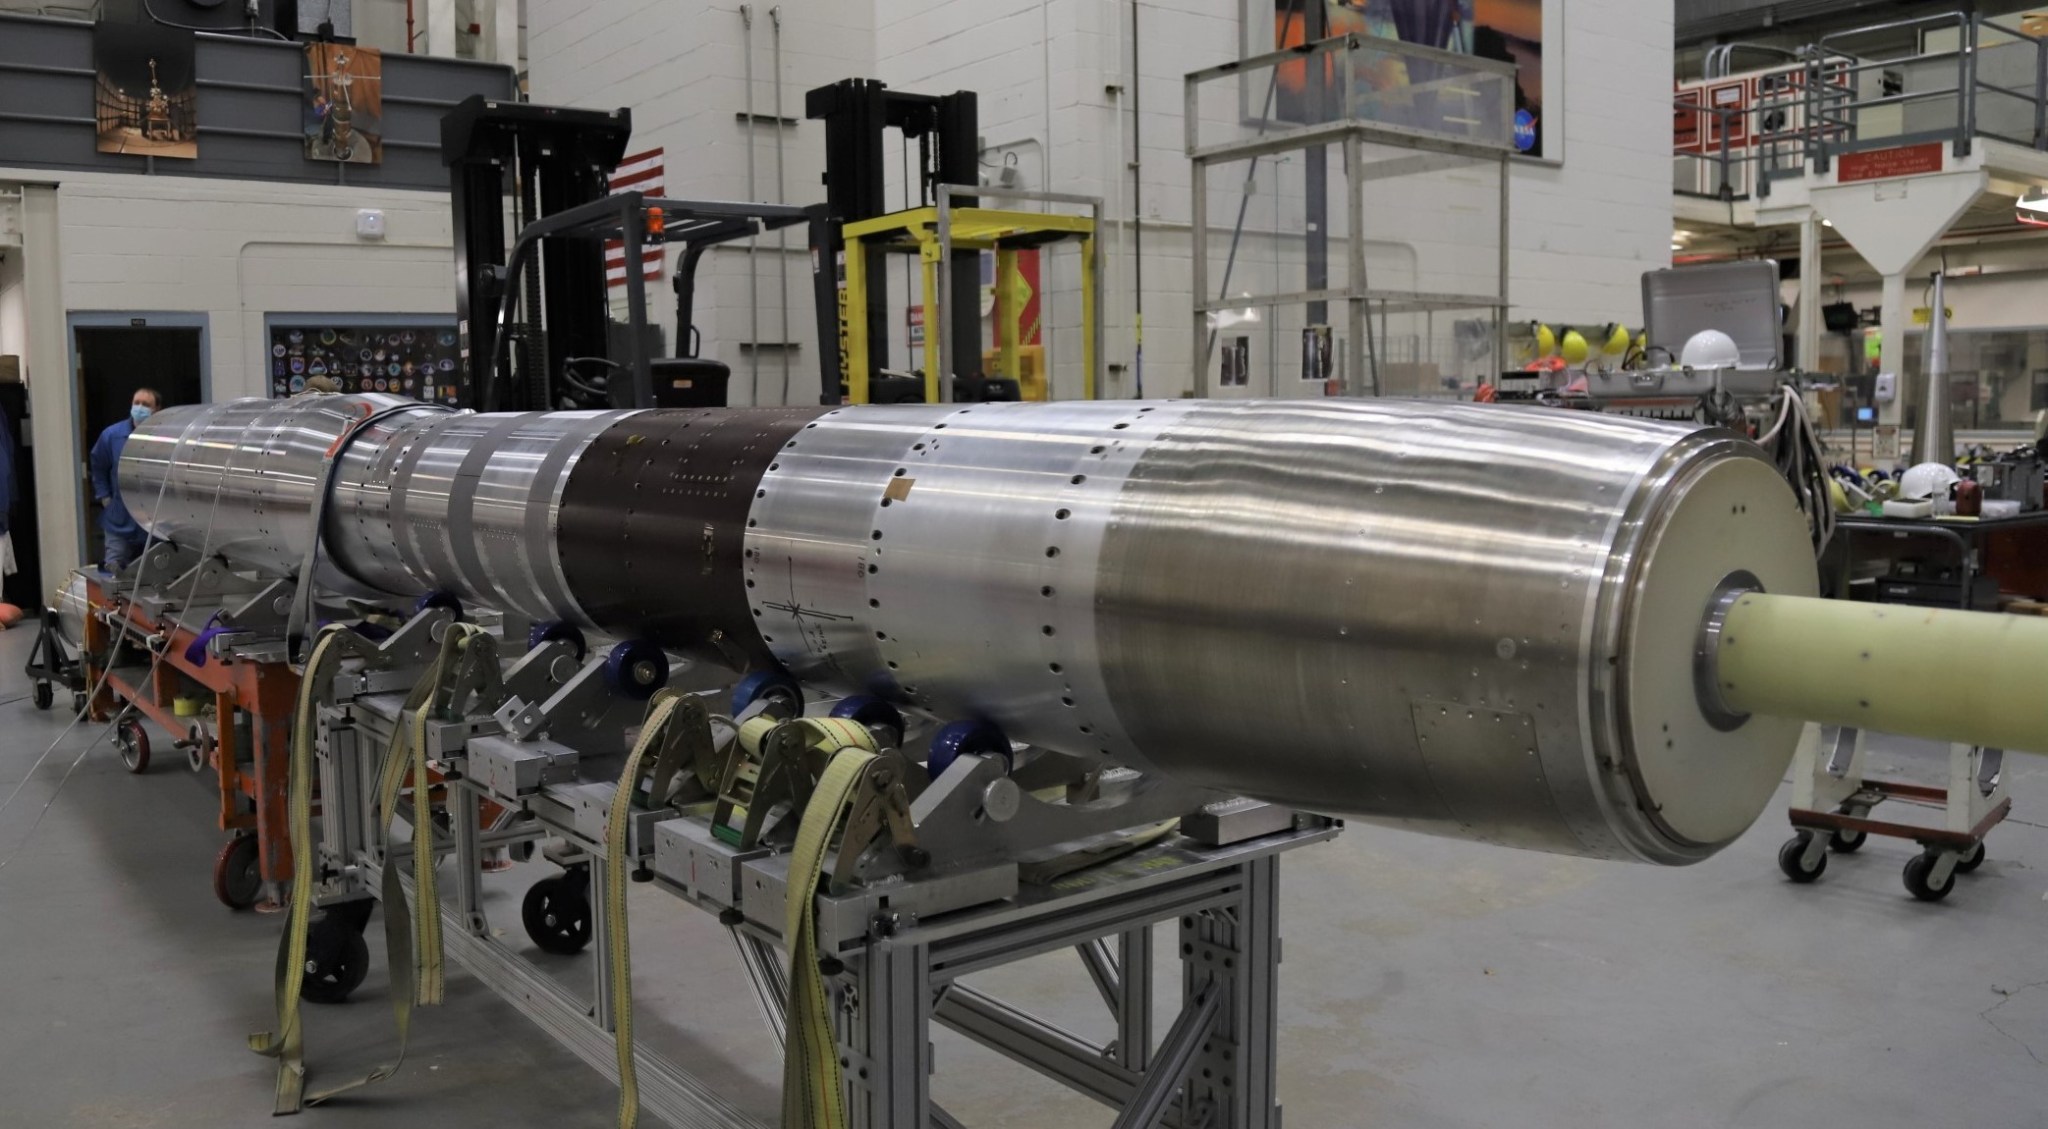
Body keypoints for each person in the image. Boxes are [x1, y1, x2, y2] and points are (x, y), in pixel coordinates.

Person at [90, 387, 159, 572]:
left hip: (153, 520)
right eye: (136, 403)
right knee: (114, 570)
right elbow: (98, 466)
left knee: (151, 573)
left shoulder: (163, 438)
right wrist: (104, 496)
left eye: (146, 404)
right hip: (119, 517)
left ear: (156, 409)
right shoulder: (112, 435)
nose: (140, 407)